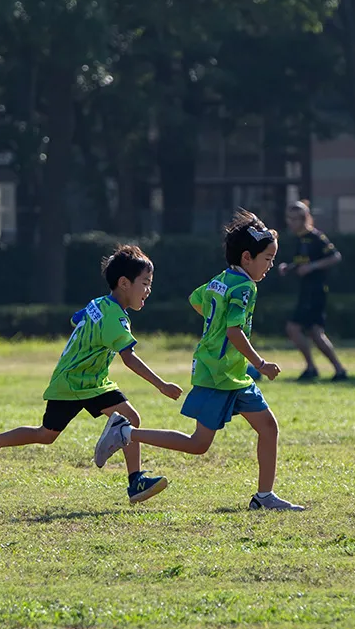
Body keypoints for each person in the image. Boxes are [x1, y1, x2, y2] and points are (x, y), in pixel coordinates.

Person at [95, 210, 305, 511]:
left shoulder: (221, 280)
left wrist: (215, 324)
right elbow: (234, 332)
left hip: (231, 374)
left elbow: (197, 299)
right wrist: (260, 363)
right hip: (219, 375)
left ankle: (264, 497)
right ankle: (125, 432)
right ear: (247, 257)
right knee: (198, 444)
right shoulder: (245, 287)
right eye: (267, 259)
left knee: (268, 427)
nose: (269, 266)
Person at [0, 245, 184, 504]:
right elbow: (128, 358)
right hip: (71, 383)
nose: (148, 290)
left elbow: (76, 318)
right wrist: (161, 385)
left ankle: (135, 481)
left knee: (129, 418)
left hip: (93, 382)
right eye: (145, 283)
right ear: (124, 283)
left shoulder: (100, 304)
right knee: (46, 435)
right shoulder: (115, 318)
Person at [278, 200, 348, 381]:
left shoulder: (316, 237)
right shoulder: (299, 240)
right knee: (315, 333)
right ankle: (338, 370)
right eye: (289, 219)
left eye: (294, 219)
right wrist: (290, 267)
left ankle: (311, 367)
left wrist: (313, 267)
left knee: (293, 328)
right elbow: (303, 263)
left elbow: (335, 257)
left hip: (315, 291)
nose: (290, 223)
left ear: (304, 219)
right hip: (306, 290)